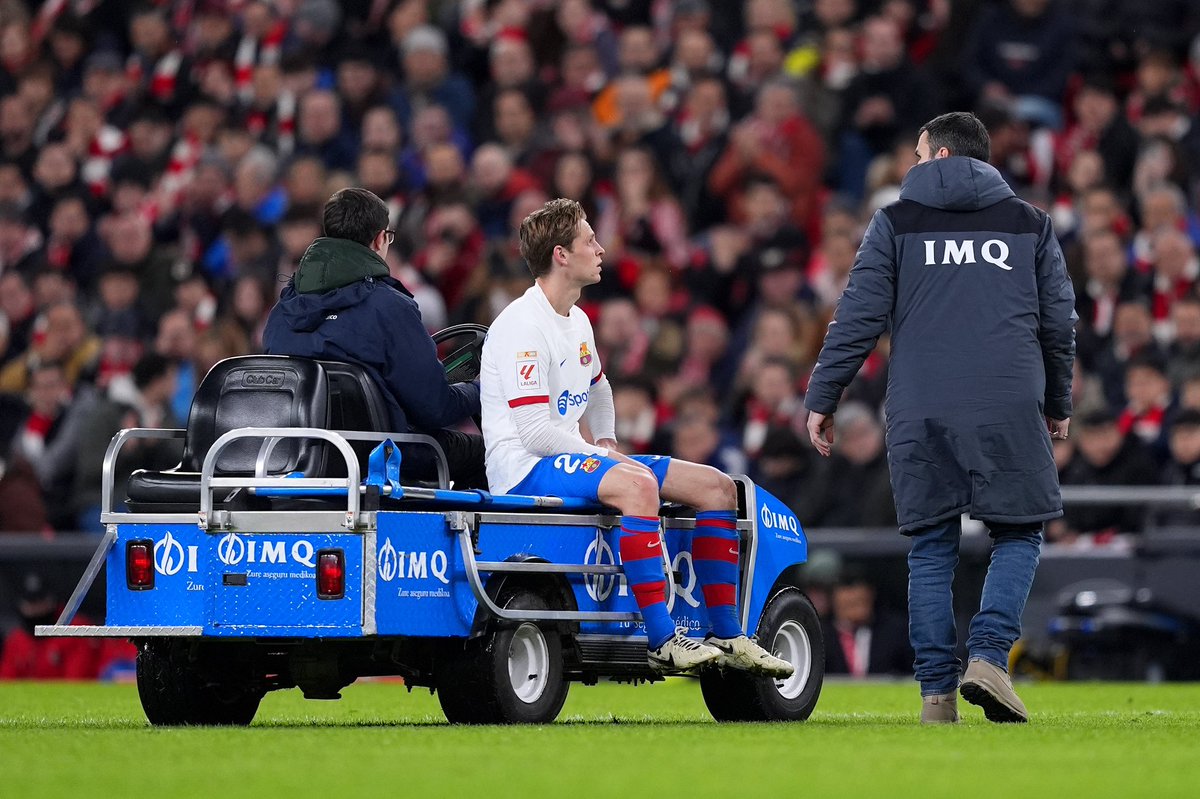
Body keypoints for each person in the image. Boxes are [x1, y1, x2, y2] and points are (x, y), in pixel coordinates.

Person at [804, 112, 1077, 724]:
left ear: (944, 154)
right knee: (1019, 530)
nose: (912, 165)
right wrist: (1058, 402)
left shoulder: (894, 223)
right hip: (1007, 401)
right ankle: (987, 656)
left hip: (920, 406)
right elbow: (1059, 325)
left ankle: (935, 698)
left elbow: (858, 317)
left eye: (919, 153)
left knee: (931, 545)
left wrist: (824, 396)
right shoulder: (1029, 224)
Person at [480, 198, 792, 676]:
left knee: (716, 488)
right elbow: (536, 432)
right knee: (637, 483)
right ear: (561, 255)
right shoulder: (522, 326)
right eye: (589, 240)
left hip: (567, 459)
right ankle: (663, 640)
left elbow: (599, 385)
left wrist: (606, 441)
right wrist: (604, 458)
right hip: (524, 469)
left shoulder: (577, 318)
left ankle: (729, 637)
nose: (601, 248)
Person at [262, 187, 485, 488]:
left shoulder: (281, 313)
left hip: (298, 456)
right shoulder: (390, 307)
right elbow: (436, 408)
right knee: (487, 455)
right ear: (380, 239)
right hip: (386, 455)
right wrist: (479, 389)